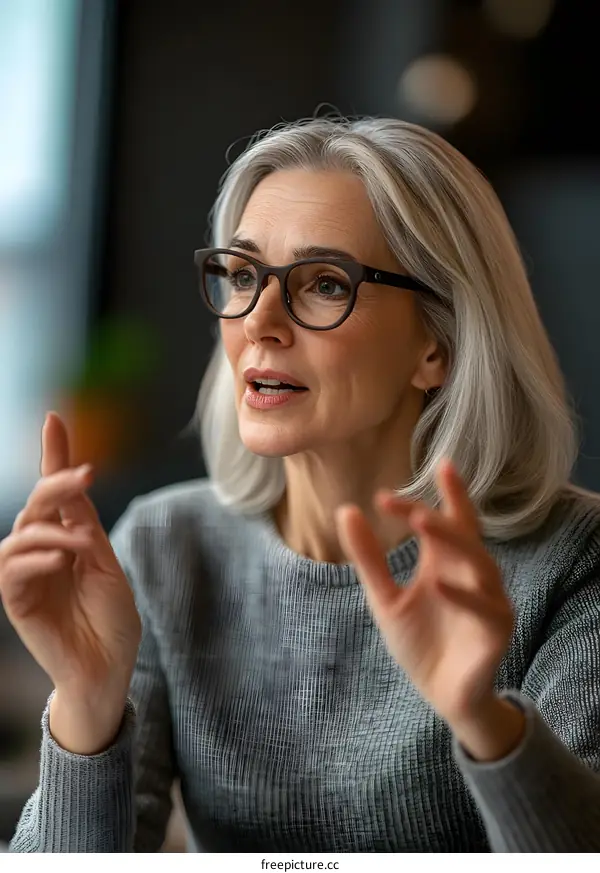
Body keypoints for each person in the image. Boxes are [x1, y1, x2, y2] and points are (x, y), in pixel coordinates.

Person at [3, 116, 600, 853]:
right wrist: (88, 709)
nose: (260, 320)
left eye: (324, 283)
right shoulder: (165, 546)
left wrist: (485, 721)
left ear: (437, 346)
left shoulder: (574, 561)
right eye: (245, 275)